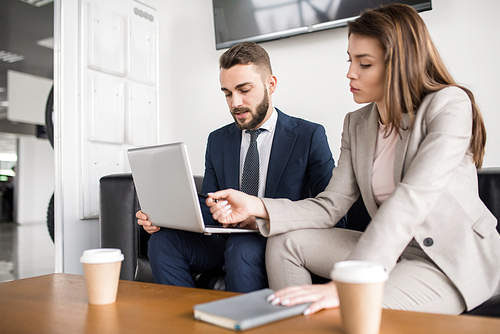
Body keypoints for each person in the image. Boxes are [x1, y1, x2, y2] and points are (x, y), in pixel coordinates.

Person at [207, 4, 500, 314]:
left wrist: (348, 285)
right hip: (393, 250)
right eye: (350, 60)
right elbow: (329, 206)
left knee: (352, 307)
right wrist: (258, 206)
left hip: (447, 258)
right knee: (284, 241)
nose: (350, 72)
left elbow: (412, 198)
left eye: (365, 63)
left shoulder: (449, 105)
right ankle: (293, 322)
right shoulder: (357, 123)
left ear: (399, 63)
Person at [136, 42, 346, 293]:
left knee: (242, 248)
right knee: (162, 241)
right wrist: (164, 218)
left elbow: (335, 215)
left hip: (275, 237)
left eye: (244, 90)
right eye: (227, 93)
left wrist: (260, 216)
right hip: (225, 239)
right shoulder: (218, 140)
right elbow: (210, 204)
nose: (235, 102)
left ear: (271, 84)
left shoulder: (309, 135)